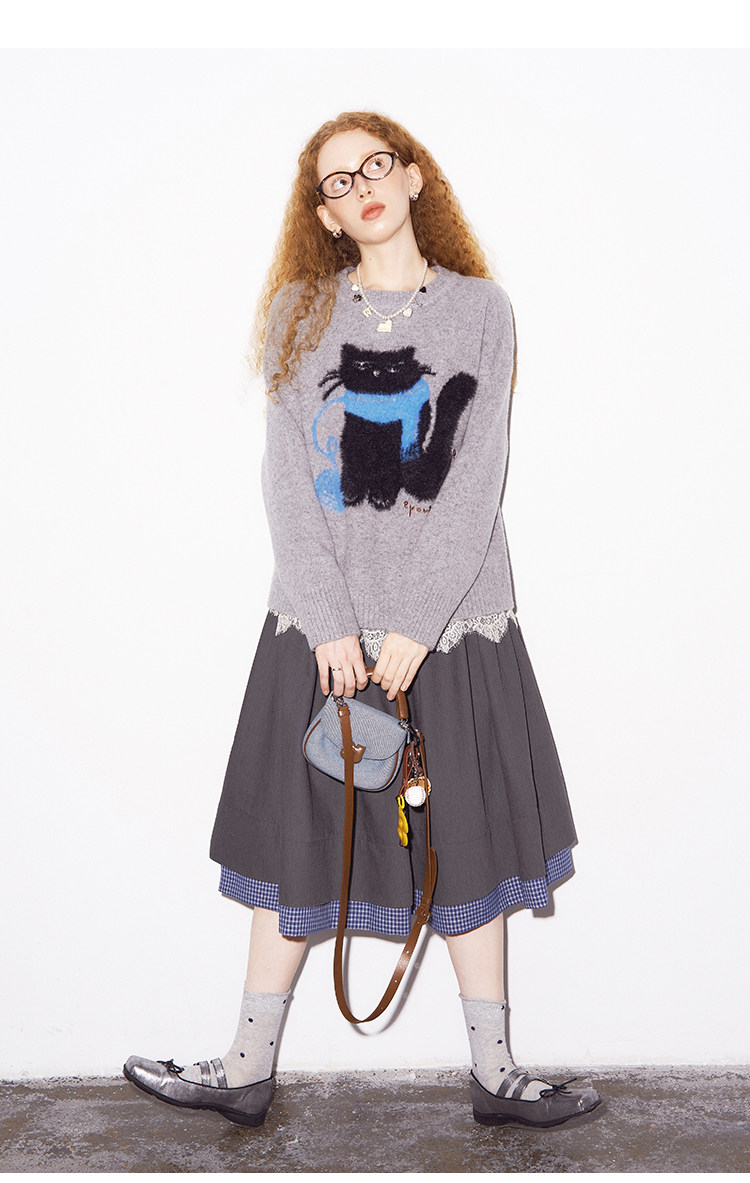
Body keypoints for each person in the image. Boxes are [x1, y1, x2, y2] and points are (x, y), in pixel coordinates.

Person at [123, 110, 602, 1131]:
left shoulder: (482, 310)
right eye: (336, 183)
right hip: (323, 635)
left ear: (414, 176)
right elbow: (287, 482)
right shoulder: (298, 312)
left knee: (466, 840)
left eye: (374, 165)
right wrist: (333, 621)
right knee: (299, 843)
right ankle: (245, 1065)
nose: (360, 188)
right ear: (327, 216)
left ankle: (496, 1072)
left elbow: (476, 480)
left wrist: (416, 626)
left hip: (454, 629)